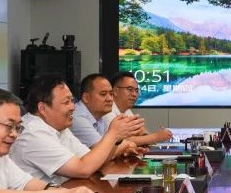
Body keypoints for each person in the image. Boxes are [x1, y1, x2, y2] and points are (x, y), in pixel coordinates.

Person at [10, 72, 143, 184]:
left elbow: (93, 161)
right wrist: (113, 134)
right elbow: (83, 169)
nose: (73, 107)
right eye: (66, 102)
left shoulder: (59, 127)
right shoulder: (33, 133)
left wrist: (116, 141)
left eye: (72, 101)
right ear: (42, 108)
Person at [72, 73, 145, 148]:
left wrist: (125, 147)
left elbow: (109, 145)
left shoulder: (100, 115)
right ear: (86, 98)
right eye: (103, 94)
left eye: (111, 94)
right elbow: (101, 150)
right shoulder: (77, 117)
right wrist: (124, 145)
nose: (110, 99)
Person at [107, 71, 173, 146]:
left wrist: (148, 136)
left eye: (136, 90)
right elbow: (120, 141)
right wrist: (156, 137)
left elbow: (141, 132)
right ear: (115, 91)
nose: (134, 94)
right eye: (130, 89)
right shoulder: (107, 111)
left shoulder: (126, 110)